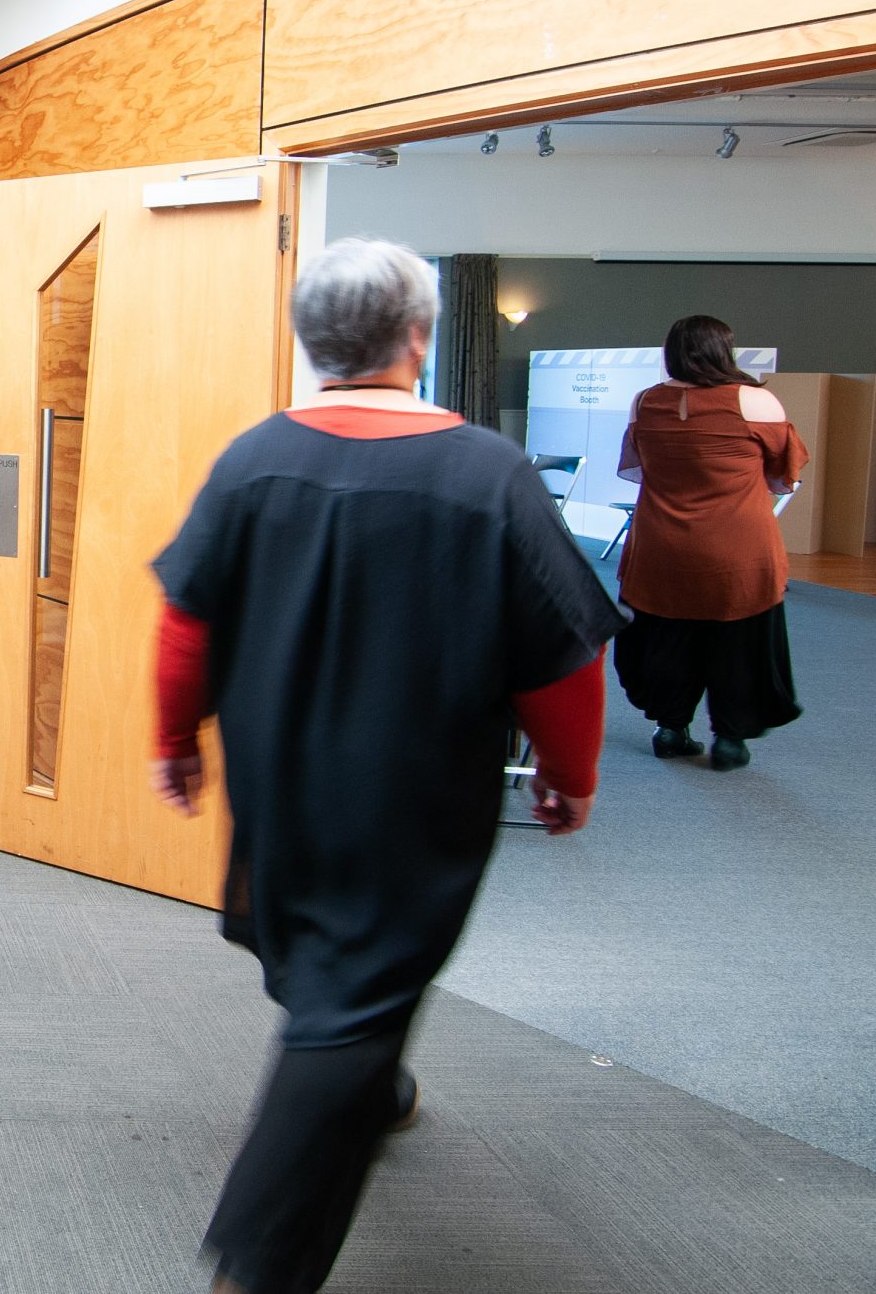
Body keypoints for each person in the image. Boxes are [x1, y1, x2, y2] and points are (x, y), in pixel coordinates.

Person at [147, 237, 622, 1294]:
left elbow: (187, 621)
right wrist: (568, 772)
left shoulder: (253, 458)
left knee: (329, 953)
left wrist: (174, 741)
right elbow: (560, 659)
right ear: (419, 337)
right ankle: (259, 1264)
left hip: (280, 772)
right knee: (355, 988)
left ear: (311, 341)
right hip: (414, 785)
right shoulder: (483, 473)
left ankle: (377, 1084)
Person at [612, 314, 809, 772]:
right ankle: (730, 740)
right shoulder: (756, 401)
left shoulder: (646, 402)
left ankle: (670, 729)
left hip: (660, 545)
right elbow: (784, 475)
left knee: (667, 639)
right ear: (725, 350)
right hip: (738, 547)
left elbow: (637, 468)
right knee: (739, 642)